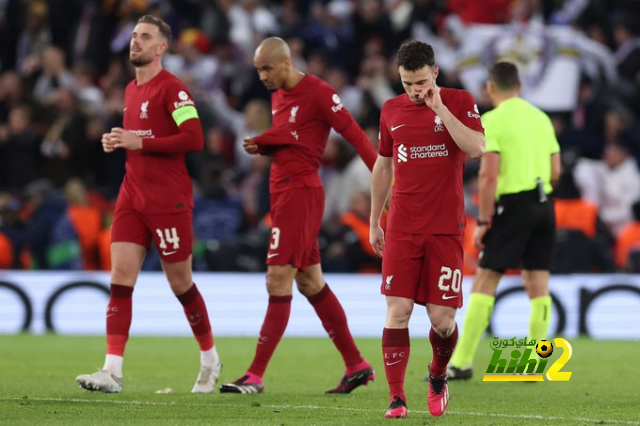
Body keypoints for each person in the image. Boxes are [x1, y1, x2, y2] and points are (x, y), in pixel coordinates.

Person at [220, 37, 378, 395]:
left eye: (267, 68)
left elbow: (356, 137)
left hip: (301, 194)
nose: (262, 77)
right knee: (310, 283)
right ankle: (356, 365)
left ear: (286, 63)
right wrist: (266, 142)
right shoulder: (277, 93)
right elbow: (296, 136)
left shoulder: (319, 92)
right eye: (258, 69)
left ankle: (255, 375)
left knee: (277, 279)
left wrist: (385, 188)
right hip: (282, 193)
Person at [76, 15, 221, 394]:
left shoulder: (173, 90)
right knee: (120, 282)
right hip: (131, 196)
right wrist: (118, 141)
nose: (135, 42)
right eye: (134, 36)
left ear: (161, 48)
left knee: (181, 283)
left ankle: (209, 358)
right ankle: (112, 371)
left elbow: (194, 138)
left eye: (145, 37)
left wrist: (142, 142)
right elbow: (138, 137)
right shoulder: (129, 89)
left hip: (167, 200)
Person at [369, 40, 485, 419]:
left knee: (441, 320)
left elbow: (476, 148)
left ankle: (438, 374)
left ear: (435, 73)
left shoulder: (460, 100)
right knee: (397, 311)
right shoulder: (390, 110)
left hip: (444, 228)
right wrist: (375, 221)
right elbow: (383, 166)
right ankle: (397, 397)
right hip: (402, 226)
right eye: (406, 84)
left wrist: (440, 109)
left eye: (420, 82)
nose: (415, 91)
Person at [447, 62, 561, 380]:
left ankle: (462, 362)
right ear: (520, 85)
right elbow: (556, 172)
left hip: (514, 206)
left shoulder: (492, 120)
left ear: (491, 88)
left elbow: (488, 174)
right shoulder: (541, 118)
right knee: (539, 286)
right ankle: (536, 362)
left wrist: (483, 221)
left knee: (485, 281)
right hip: (545, 204)